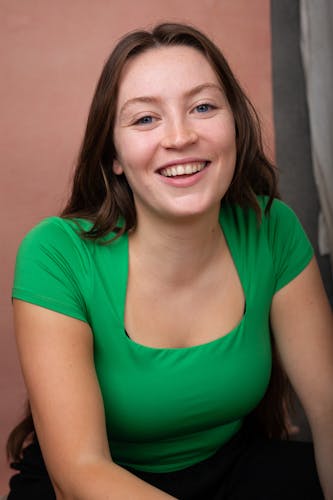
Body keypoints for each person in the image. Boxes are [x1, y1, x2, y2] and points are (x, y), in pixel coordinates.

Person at [6, 22, 333, 499]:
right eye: (145, 119)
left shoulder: (272, 228)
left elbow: (328, 411)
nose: (180, 137)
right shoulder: (56, 254)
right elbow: (79, 471)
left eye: (203, 107)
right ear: (114, 155)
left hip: (234, 467)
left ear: (235, 127)